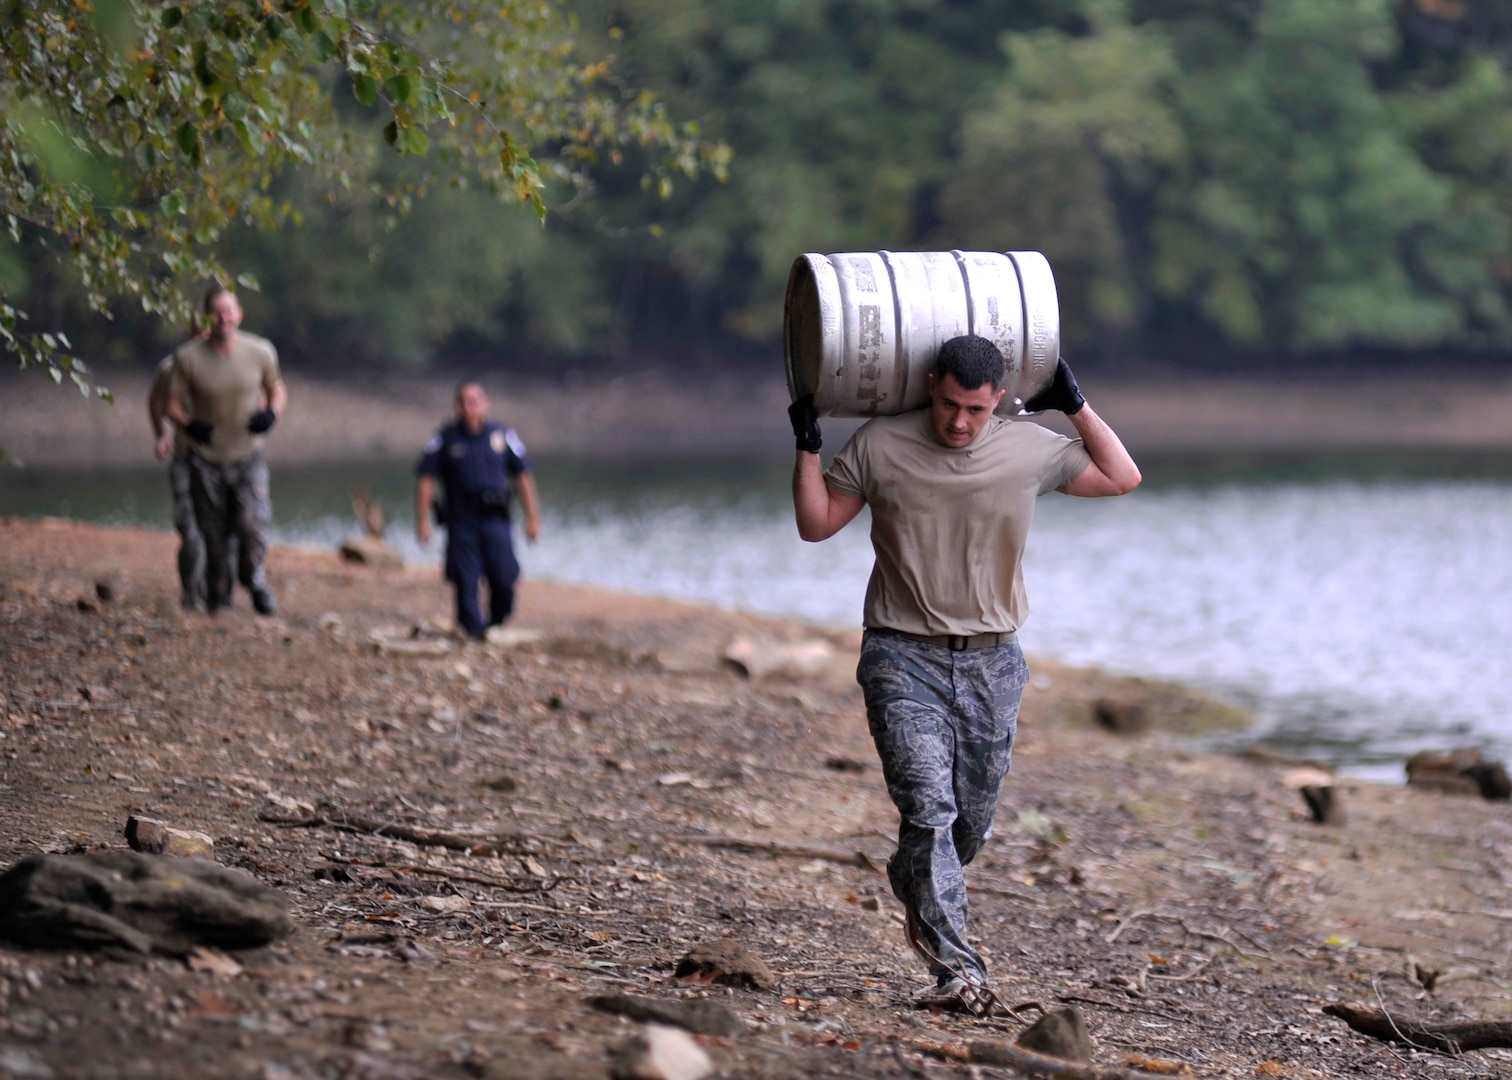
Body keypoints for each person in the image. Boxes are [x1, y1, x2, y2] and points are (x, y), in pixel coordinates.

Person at [790, 334, 1141, 1014]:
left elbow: (1122, 476)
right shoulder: (880, 444)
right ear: (930, 386)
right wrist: (808, 444)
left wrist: (1075, 405)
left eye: (975, 410)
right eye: (949, 405)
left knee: (967, 828)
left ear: (999, 401)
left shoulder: (1027, 446)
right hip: (901, 656)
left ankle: (913, 877)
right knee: (929, 809)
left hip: (994, 663)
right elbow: (816, 524)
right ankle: (962, 972)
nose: (959, 423)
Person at [165, 285, 287, 616]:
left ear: (239, 314)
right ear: (206, 316)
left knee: (251, 525)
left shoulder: (260, 351)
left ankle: (254, 577)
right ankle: (219, 601)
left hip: (248, 456)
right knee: (214, 537)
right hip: (206, 460)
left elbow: (277, 389)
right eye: (217, 312)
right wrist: (187, 424)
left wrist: (272, 414)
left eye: (229, 310)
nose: (224, 318)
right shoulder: (187, 357)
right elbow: (170, 403)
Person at [415, 381, 542, 640]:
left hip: (496, 518)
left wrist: (532, 517)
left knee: (504, 576)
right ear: (456, 406)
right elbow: (426, 478)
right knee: (465, 578)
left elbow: (523, 476)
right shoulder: (446, 437)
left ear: (485, 404)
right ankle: (472, 632)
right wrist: (422, 521)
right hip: (461, 519)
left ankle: (495, 623)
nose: (468, 407)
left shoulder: (503, 435)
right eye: (463, 402)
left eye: (473, 401)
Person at [147, 353, 206, 612]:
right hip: (185, 458)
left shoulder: (237, 360)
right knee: (190, 530)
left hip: (227, 462)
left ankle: (215, 594)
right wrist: (162, 435)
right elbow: (156, 403)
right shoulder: (171, 367)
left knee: (223, 533)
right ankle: (190, 595)